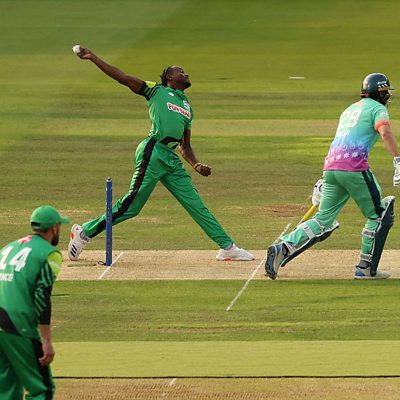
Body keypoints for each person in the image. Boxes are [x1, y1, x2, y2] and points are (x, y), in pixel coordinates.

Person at [68, 47, 254, 262]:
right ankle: (84, 232)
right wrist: (93, 58)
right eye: (181, 71)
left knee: (195, 204)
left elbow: (185, 146)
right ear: (169, 78)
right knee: (132, 206)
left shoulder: (187, 107)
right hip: (153, 151)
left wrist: (196, 165)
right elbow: (123, 78)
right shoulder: (155, 90)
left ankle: (228, 247)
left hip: (171, 158)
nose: (186, 74)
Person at [265, 73, 400, 280]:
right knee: (378, 215)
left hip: (331, 168)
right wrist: (398, 160)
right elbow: (385, 133)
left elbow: (339, 140)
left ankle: (282, 247)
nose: (387, 97)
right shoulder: (377, 109)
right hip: (354, 168)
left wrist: (324, 178)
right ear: (379, 93)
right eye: (385, 93)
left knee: (323, 219)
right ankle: (365, 268)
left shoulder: (349, 110)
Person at [0, 206, 69, 399]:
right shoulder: (49, 254)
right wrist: (46, 340)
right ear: (55, 228)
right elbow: (41, 295)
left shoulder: (8, 248)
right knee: (41, 389)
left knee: (6, 389)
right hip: (18, 325)